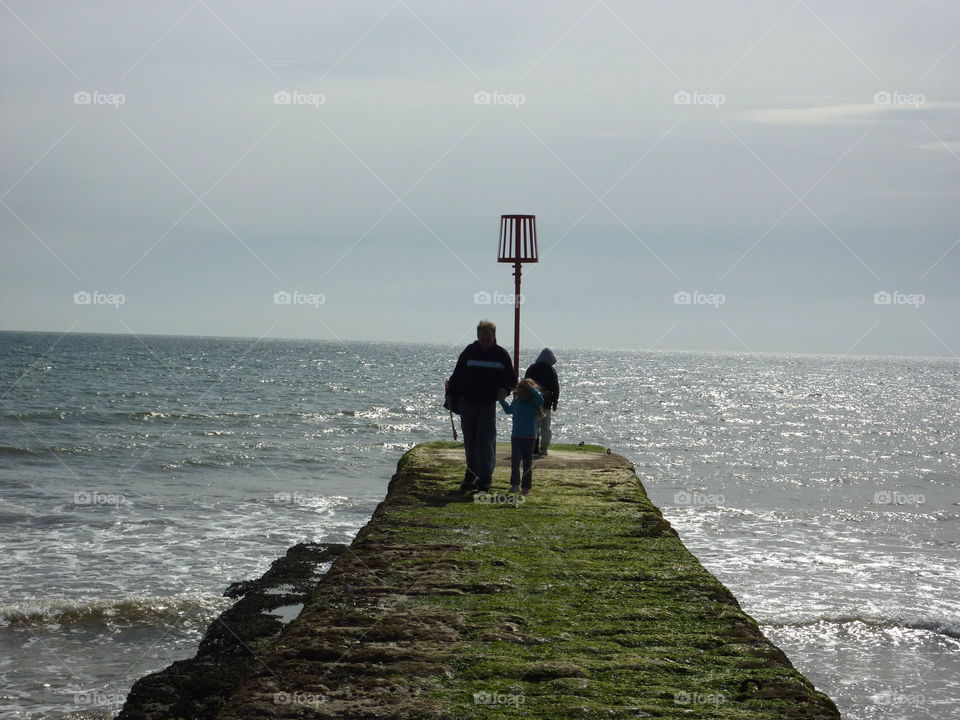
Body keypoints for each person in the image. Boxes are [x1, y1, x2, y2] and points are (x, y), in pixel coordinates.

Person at [448, 320, 517, 492]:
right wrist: (449, 395)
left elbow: (512, 379)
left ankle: (485, 480)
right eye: (482, 338)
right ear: (477, 336)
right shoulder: (469, 352)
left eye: (488, 338)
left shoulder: (501, 355)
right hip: (467, 402)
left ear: (494, 336)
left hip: (487, 404)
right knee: (470, 441)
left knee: (485, 441)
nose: (485, 342)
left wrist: (505, 390)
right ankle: (471, 474)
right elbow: (457, 375)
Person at [499, 378, 545, 495]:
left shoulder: (533, 402)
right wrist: (502, 400)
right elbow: (509, 410)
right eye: (519, 393)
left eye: (523, 393)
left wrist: (530, 387)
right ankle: (515, 484)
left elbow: (540, 399)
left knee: (527, 463)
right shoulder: (516, 401)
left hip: (529, 437)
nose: (520, 395)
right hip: (516, 436)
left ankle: (526, 487)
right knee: (515, 461)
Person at [524, 348, 560, 456]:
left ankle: (533, 446)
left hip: (532, 402)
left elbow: (526, 384)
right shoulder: (551, 371)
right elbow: (555, 387)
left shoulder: (532, 368)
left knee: (534, 425)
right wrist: (555, 402)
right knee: (545, 427)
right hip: (547, 403)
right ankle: (543, 448)